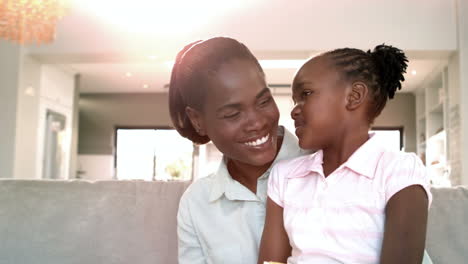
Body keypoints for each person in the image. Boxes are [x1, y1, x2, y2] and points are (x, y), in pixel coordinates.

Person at [258, 45, 433, 264]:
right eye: (295, 100)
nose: (294, 110)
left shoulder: (399, 170)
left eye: (306, 94)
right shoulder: (285, 176)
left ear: (354, 96)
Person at [169, 37, 307, 264]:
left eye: (263, 101)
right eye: (233, 114)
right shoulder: (197, 203)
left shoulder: (326, 166)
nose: (257, 123)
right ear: (197, 120)